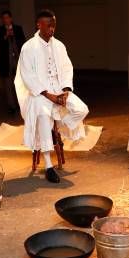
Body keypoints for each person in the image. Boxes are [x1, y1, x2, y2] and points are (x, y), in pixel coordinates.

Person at [14, 9, 89, 183]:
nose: (52, 29)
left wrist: (65, 91)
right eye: (48, 25)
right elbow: (27, 76)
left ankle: (60, 126)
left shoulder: (59, 45)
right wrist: (50, 96)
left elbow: (66, 68)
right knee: (42, 115)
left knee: (81, 109)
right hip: (39, 94)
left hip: (59, 90)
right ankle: (48, 166)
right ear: (39, 25)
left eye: (54, 25)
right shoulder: (29, 47)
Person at [0, 10, 26, 114]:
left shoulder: (18, 28)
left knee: (21, 84)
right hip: (6, 62)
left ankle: (22, 105)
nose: (5, 20)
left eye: (7, 18)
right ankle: (12, 107)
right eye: (4, 18)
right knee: (8, 85)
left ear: (11, 18)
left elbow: (23, 41)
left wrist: (14, 36)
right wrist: (5, 36)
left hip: (18, 60)